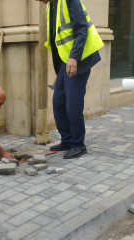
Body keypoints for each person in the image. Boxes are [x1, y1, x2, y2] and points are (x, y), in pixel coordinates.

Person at [35, 0, 103, 159]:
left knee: (73, 105)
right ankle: (67, 139)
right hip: (65, 63)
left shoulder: (69, 1)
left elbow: (81, 28)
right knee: (58, 102)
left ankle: (78, 144)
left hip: (79, 59)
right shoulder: (50, 7)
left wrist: (74, 57)